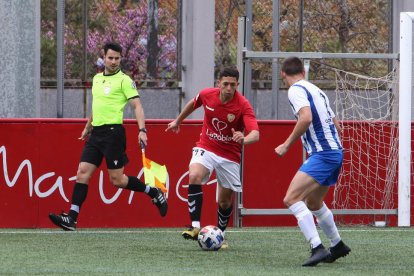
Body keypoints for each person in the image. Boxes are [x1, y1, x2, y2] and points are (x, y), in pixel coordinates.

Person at [49, 42, 168, 230]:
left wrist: (142, 130)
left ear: (121, 59)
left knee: (117, 180)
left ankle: (153, 192)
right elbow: (98, 106)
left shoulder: (124, 81)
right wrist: (88, 127)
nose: (113, 61)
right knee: (82, 173)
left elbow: (137, 106)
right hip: (96, 133)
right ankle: (71, 218)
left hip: (113, 134)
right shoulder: (97, 79)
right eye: (110, 58)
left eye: (117, 58)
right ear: (103, 57)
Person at [165, 67, 259, 248]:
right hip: (206, 146)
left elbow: (255, 133)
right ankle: (195, 227)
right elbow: (193, 103)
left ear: (237, 85)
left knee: (224, 201)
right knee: (194, 175)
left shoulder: (243, 105)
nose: (229, 88)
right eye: (225, 84)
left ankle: (220, 235)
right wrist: (178, 121)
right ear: (218, 84)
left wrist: (244, 139)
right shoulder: (208, 95)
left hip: (229, 155)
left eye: (233, 85)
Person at [275, 57, 351, 266]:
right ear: (303, 71)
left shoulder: (295, 90)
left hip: (324, 153)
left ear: (283, 74)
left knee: (291, 199)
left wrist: (286, 144)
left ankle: (317, 247)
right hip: (335, 152)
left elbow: (306, 117)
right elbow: (337, 125)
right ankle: (337, 245)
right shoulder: (317, 90)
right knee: (314, 203)